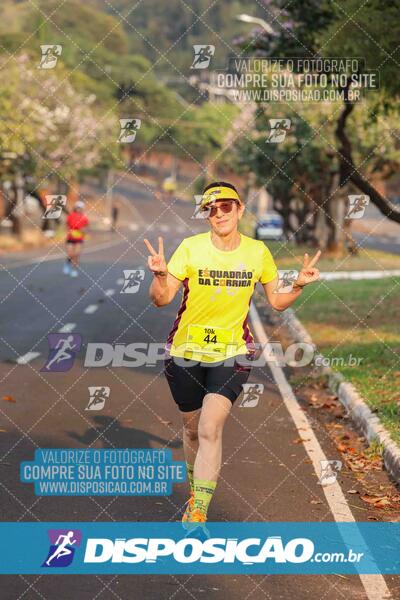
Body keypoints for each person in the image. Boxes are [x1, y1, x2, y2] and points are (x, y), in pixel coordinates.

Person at [144, 181, 321, 528]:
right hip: (184, 352)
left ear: (240, 209)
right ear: (207, 215)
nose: (219, 213)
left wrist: (297, 284)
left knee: (211, 426)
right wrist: (160, 277)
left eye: (226, 206)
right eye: (212, 208)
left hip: (233, 352)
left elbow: (276, 301)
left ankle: (199, 509)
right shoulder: (191, 249)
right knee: (192, 429)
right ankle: (197, 491)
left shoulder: (257, 253)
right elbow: (161, 299)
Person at [64, 200, 89, 277]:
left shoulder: (84, 218)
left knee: (76, 254)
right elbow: (66, 225)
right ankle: (67, 264)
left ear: (82, 209)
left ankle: (74, 270)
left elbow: (87, 228)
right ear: (75, 208)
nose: (78, 209)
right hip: (70, 238)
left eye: (80, 208)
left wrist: (83, 230)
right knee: (70, 254)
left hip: (79, 238)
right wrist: (69, 230)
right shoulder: (71, 216)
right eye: (77, 207)